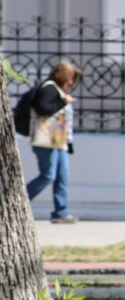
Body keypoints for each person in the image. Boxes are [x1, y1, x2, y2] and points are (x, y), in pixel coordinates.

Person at [27, 61, 82, 224]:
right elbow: (43, 109)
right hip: (46, 142)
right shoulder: (49, 88)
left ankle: (60, 212)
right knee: (47, 176)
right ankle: (17, 201)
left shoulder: (56, 90)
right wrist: (64, 102)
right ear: (63, 76)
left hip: (59, 142)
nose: (71, 83)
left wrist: (69, 142)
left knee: (61, 177)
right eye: (70, 78)